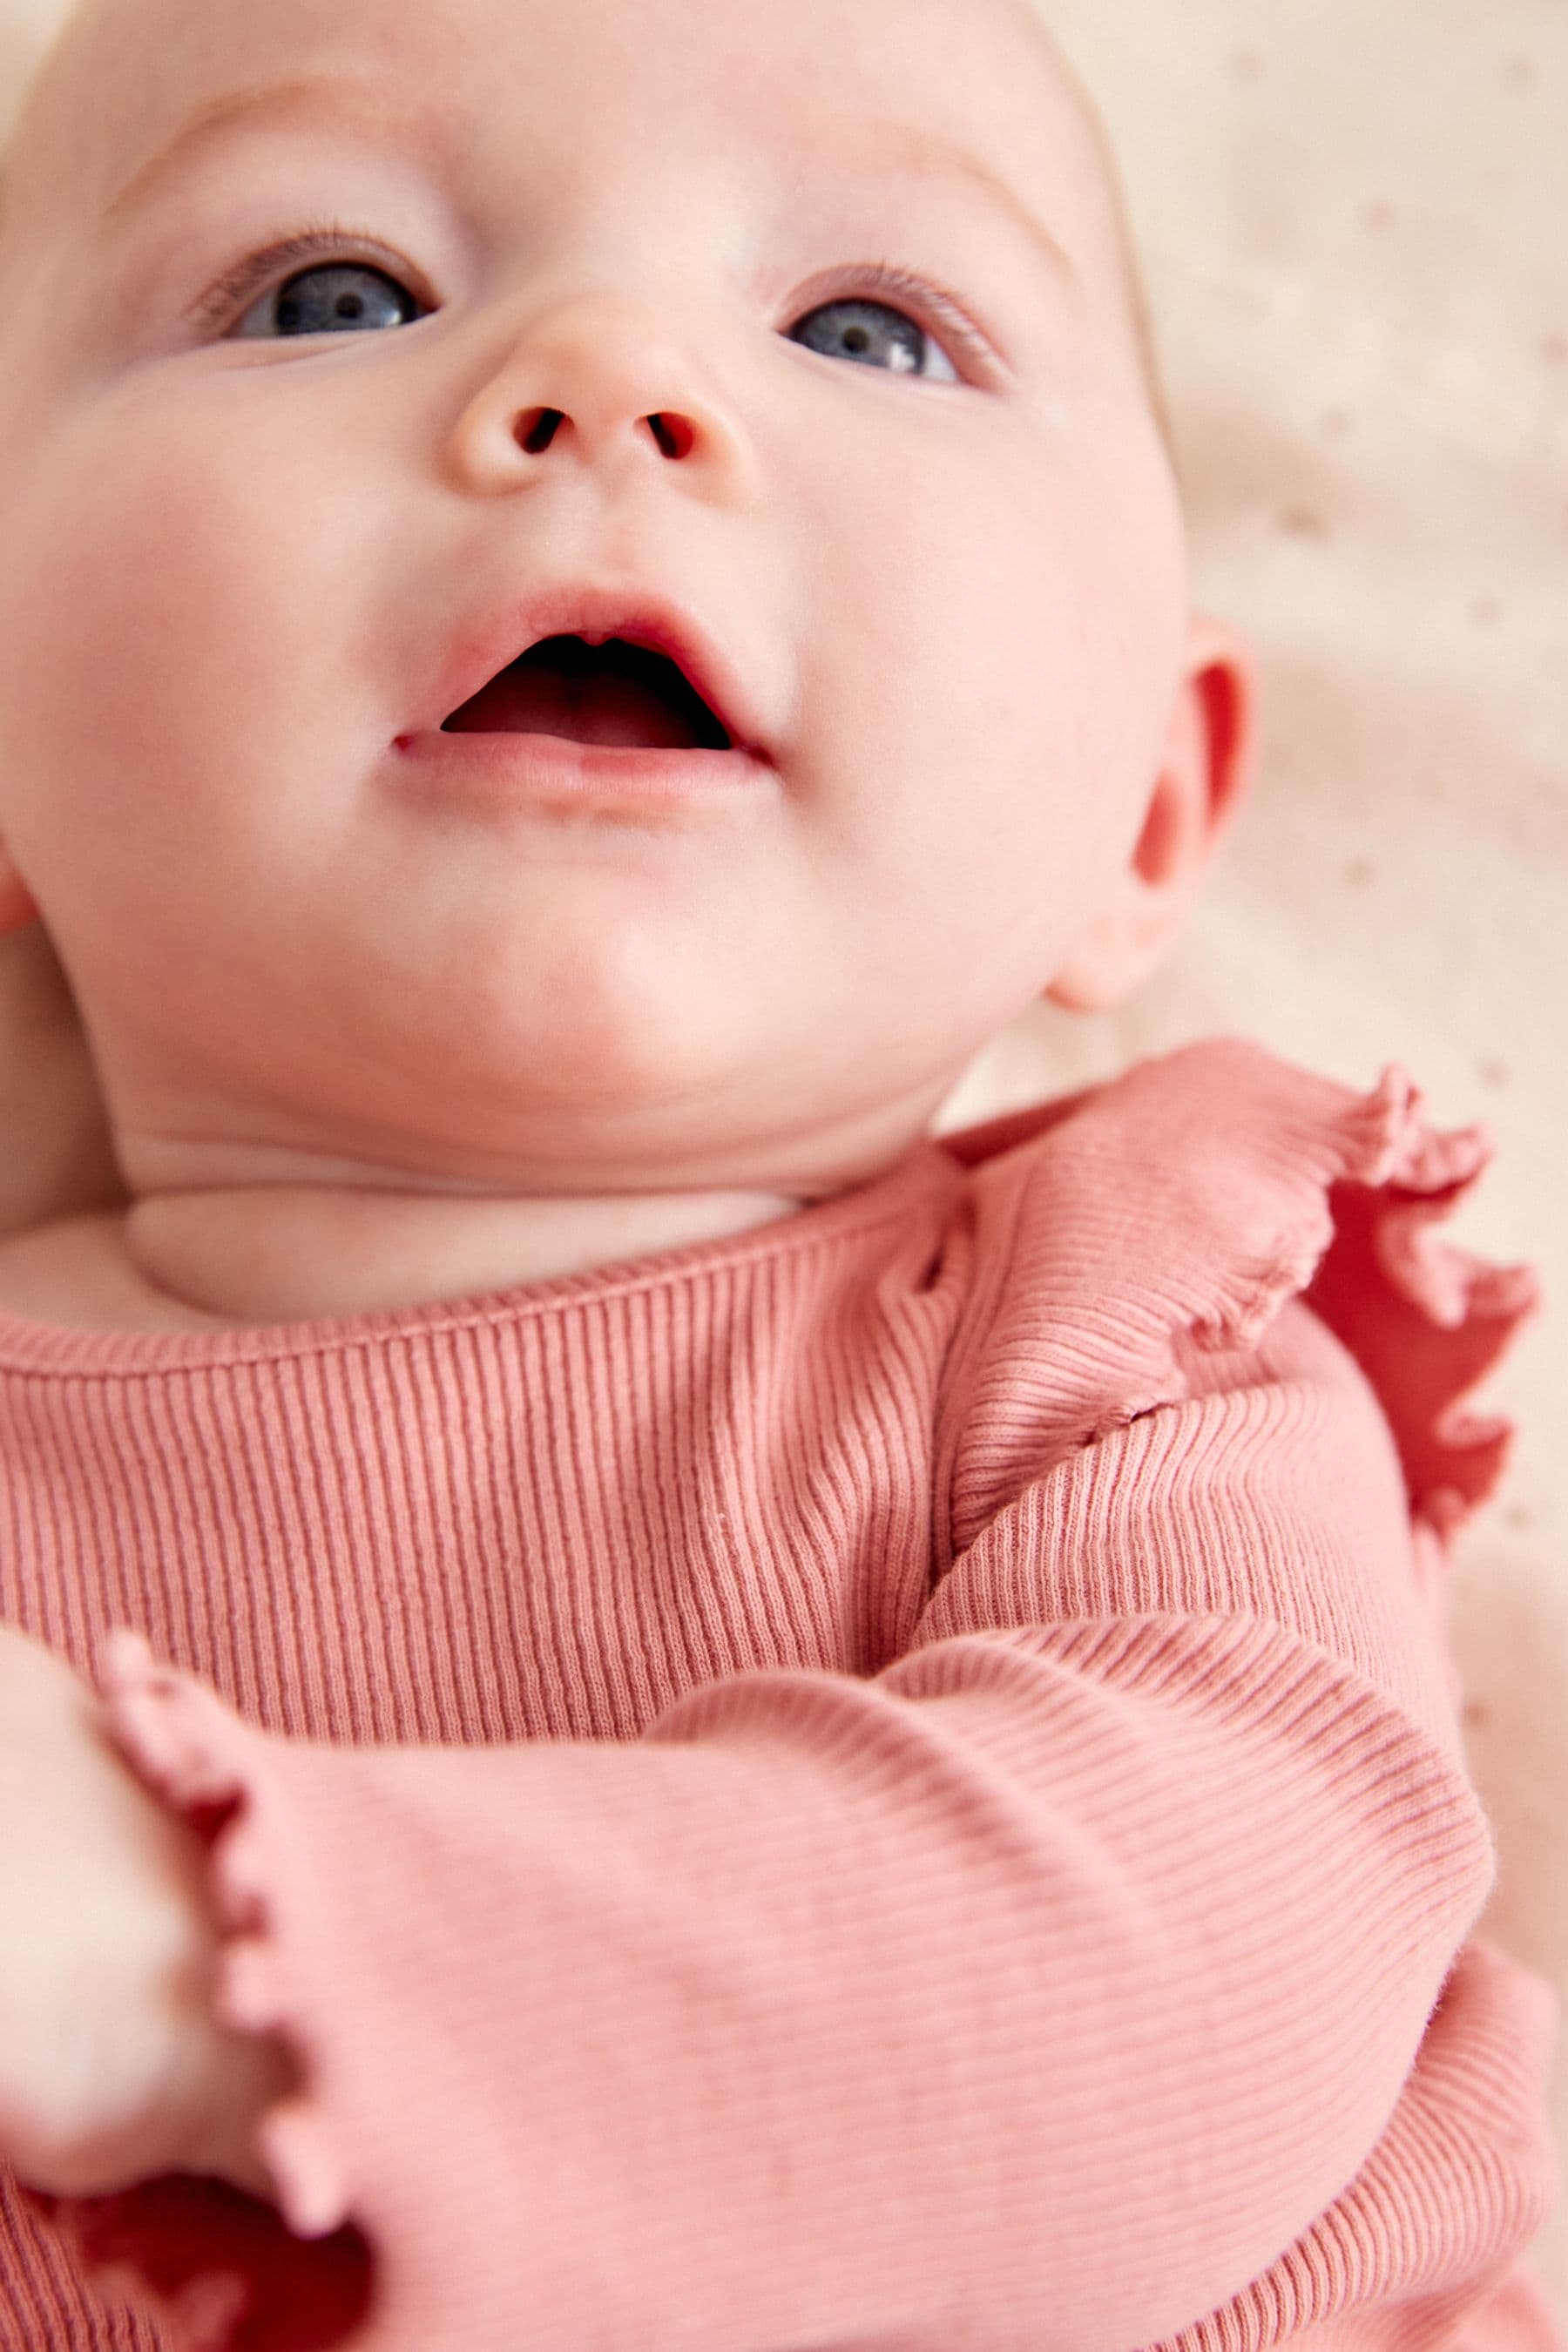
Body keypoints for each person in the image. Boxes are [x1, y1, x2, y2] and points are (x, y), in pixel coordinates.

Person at [0, 0, 1558, 2341]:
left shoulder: (1125, 1343)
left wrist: (177, 1952)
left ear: (1144, 805)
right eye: (336, 293)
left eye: (866, 325)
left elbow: (1184, 1986)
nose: (606, 377)